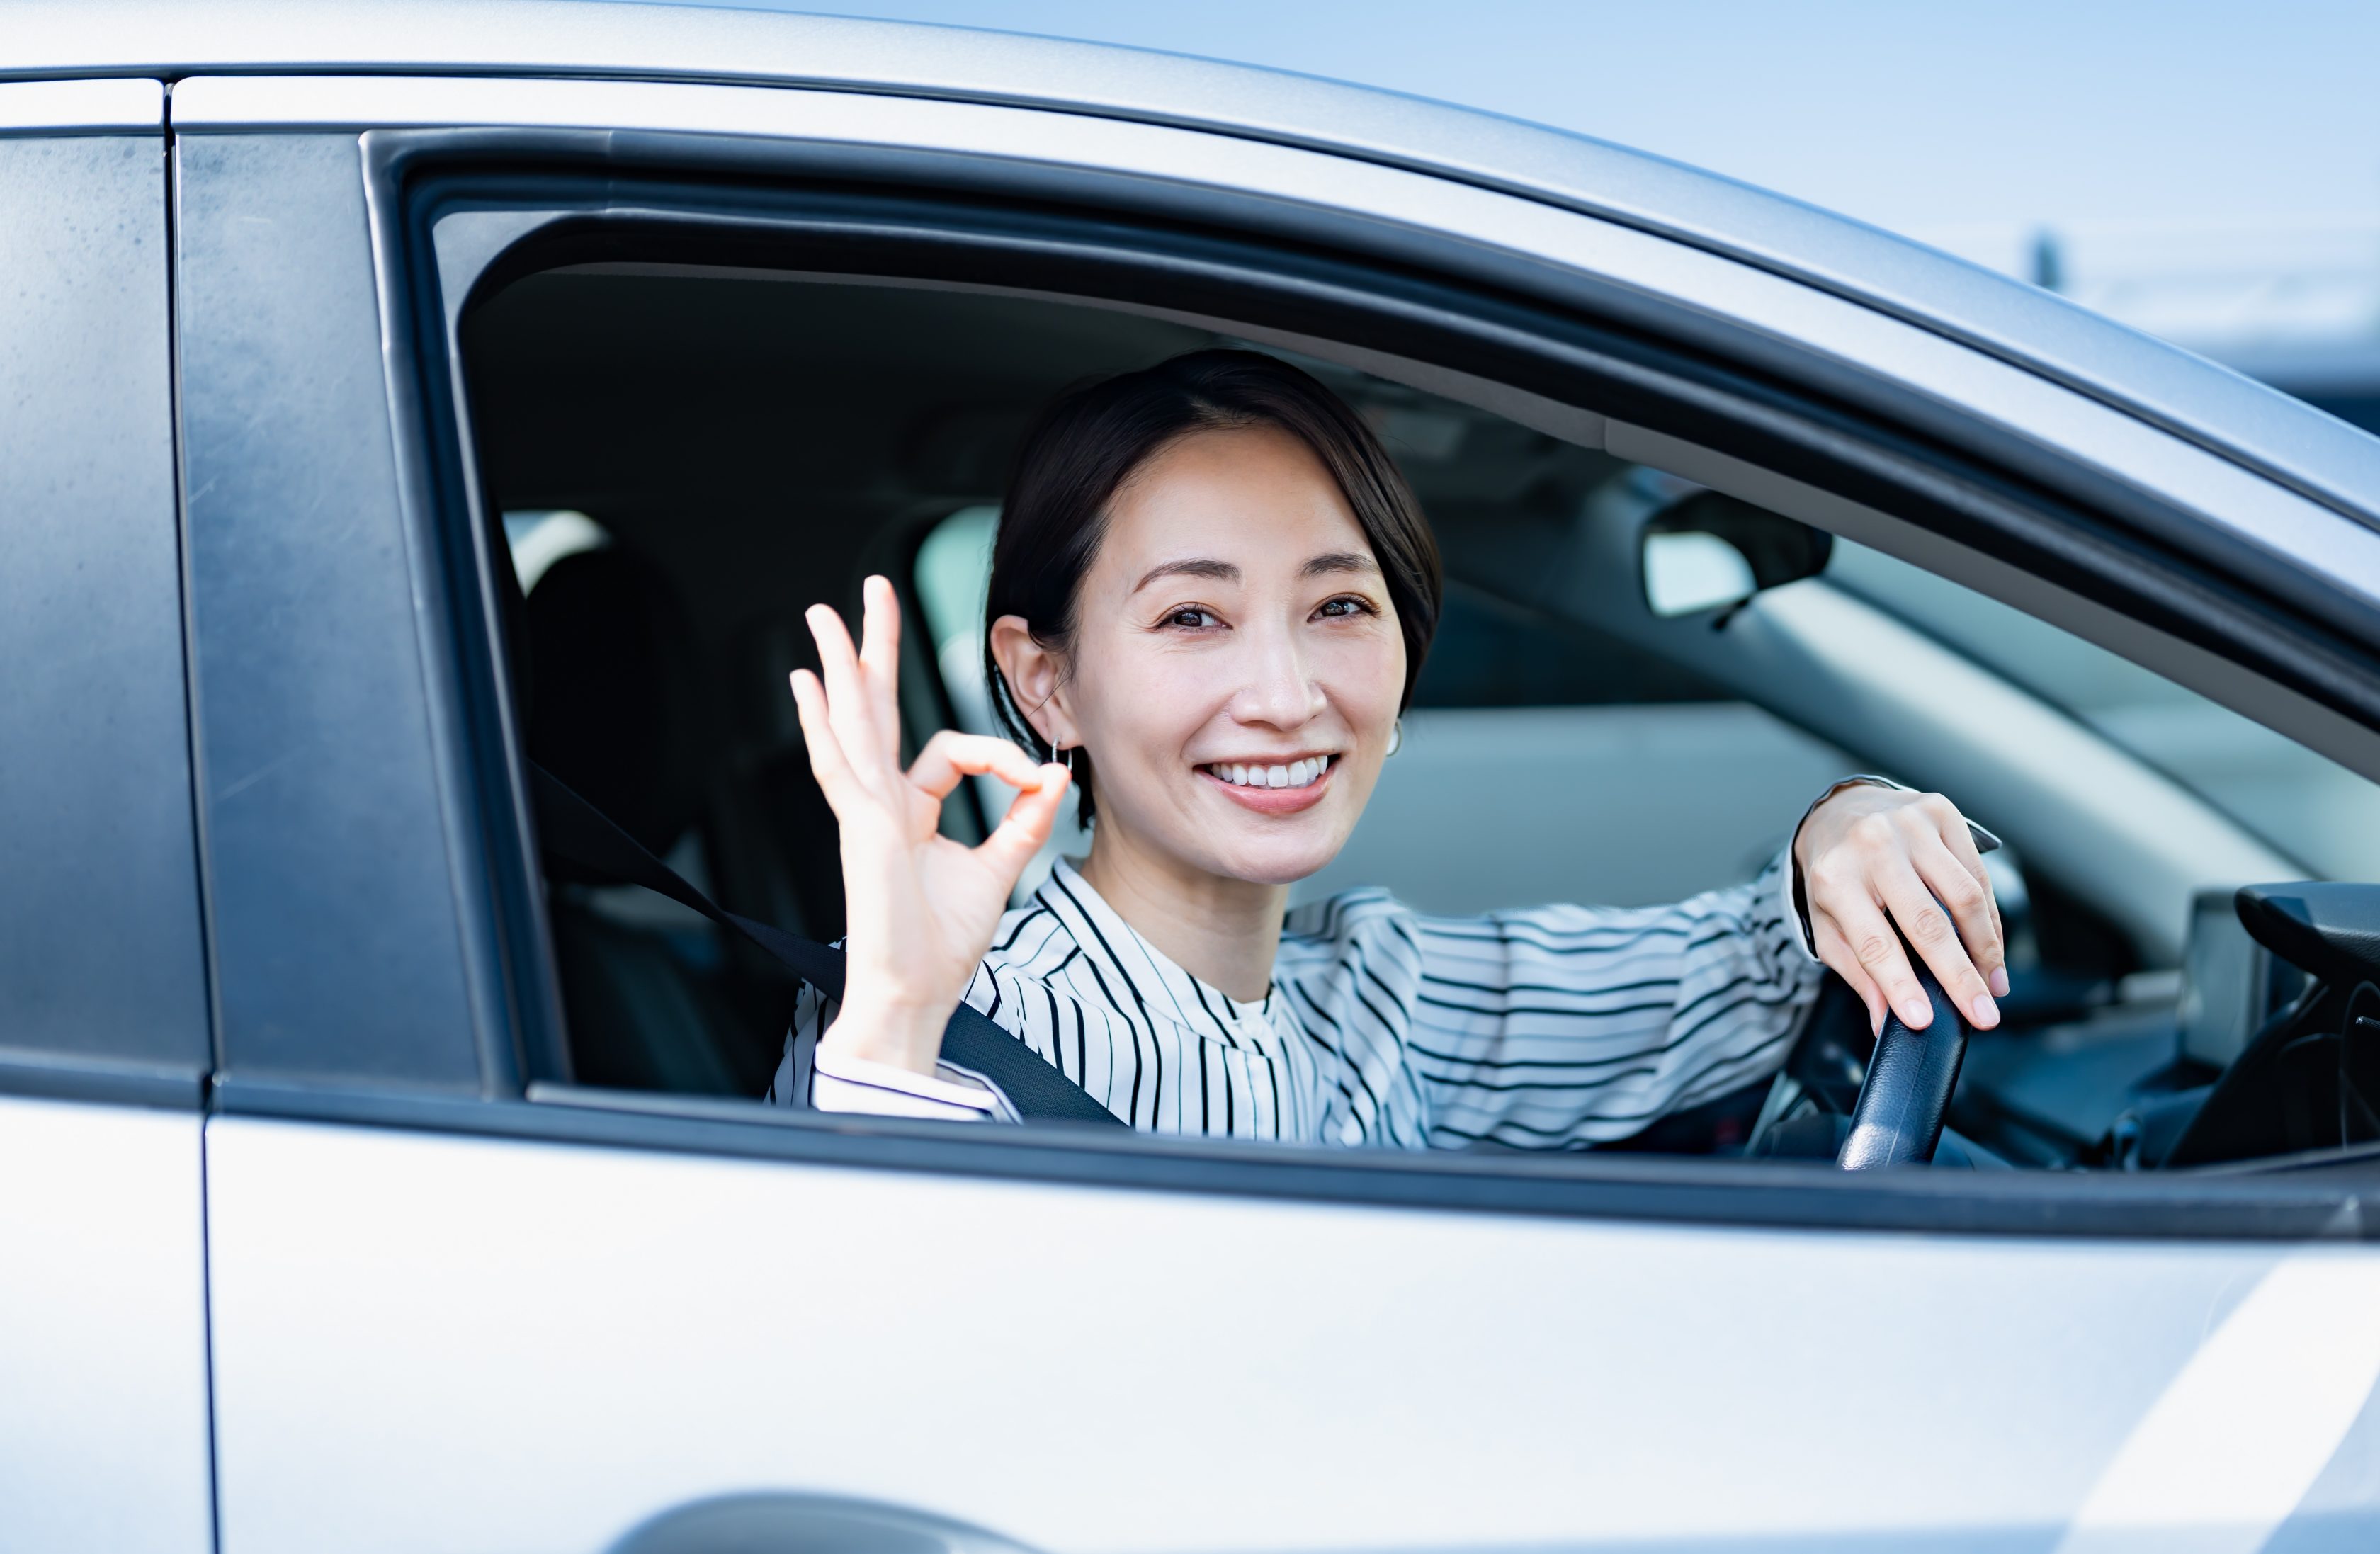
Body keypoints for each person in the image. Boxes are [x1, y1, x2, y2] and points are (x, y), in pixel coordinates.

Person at [764, 351, 2007, 1144]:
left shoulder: (1372, 993)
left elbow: (1735, 968)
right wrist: (887, 1029)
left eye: (1339, 607)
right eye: (1193, 616)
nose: (1286, 691)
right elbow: (845, 1355)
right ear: (1049, 682)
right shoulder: (960, 1021)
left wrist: (1845, 829)